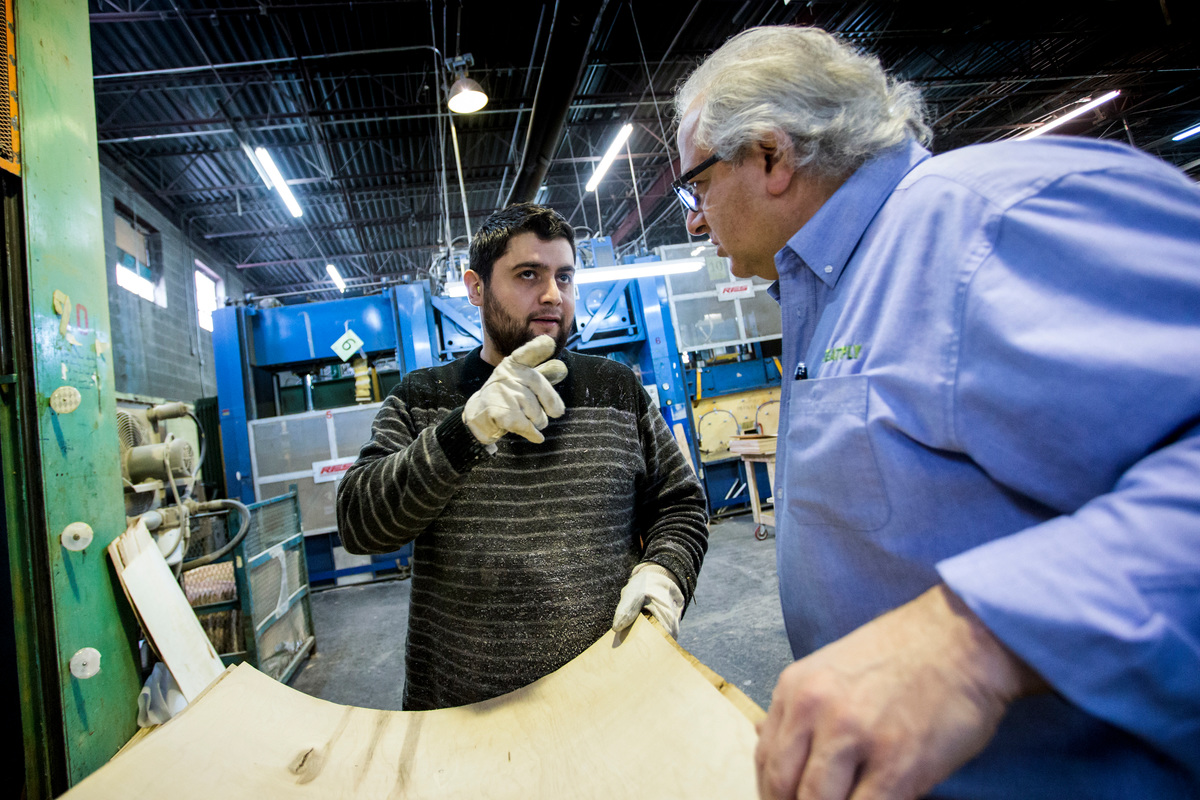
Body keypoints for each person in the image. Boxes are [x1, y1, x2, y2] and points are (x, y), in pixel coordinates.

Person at [672, 24, 1200, 800]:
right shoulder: (828, 290)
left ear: (771, 157)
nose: (692, 218)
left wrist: (971, 642)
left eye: (697, 185)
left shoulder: (982, 226)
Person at [336, 203, 708, 711]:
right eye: (529, 274)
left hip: (613, 696)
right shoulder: (422, 398)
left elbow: (681, 504)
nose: (554, 294)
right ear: (475, 288)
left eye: (565, 276)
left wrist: (664, 573)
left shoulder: (616, 390)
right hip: (463, 715)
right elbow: (360, 525)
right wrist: (462, 431)